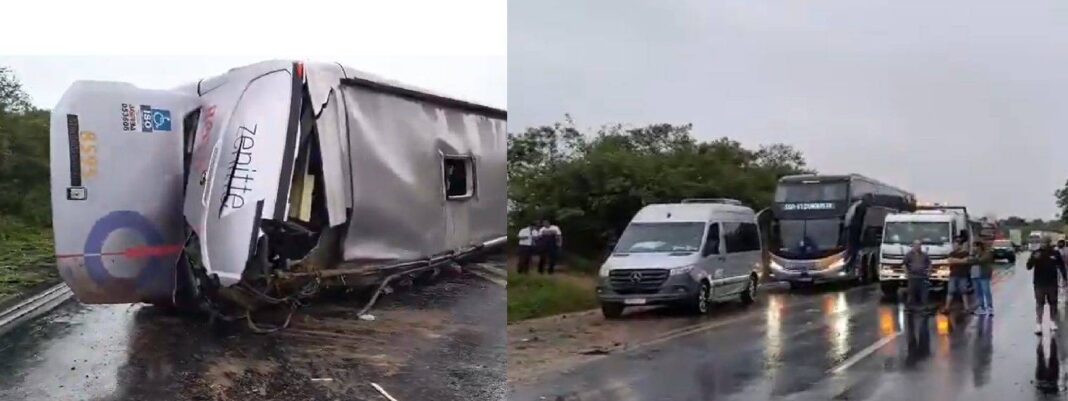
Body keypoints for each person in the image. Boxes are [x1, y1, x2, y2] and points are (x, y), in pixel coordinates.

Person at [1027, 237, 1067, 334]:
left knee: (1053, 302)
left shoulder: (1055, 253)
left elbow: (1061, 266)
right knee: (1039, 303)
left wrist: (1065, 278)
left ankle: (1052, 321)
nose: (1044, 244)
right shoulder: (1036, 253)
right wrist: (1033, 258)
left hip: (1052, 283)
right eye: (1043, 242)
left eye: (1046, 242)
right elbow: (1028, 266)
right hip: (1039, 283)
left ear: (1049, 243)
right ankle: (1038, 324)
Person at [943, 240, 974, 314]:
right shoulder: (951, 253)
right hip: (953, 275)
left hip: (963, 276)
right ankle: (947, 308)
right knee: (950, 291)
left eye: (956, 245)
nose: (954, 247)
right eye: (954, 245)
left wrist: (955, 260)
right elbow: (950, 261)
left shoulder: (965, 253)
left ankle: (967, 308)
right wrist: (961, 261)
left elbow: (966, 261)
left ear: (960, 246)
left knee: (964, 292)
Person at [902, 240, 932, 313]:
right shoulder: (909, 255)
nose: (918, 246)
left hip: (923, 277)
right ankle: (909, 308)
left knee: (924, 293)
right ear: (913, 246)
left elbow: (930, 263)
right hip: (912, 277)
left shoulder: (924, 255)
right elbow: (904, 264)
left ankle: (925, 308)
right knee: (911, 293)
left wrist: (929, 272)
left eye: (919, 245)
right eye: (916, 245)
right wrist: (906, 273)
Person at [972, 241, 995, 315]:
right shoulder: (974, 254)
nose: (974, 248)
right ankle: (981, 307)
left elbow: (981, 260)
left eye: (976, 246)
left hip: (984, 275)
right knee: (978, 292)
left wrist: (972, 259)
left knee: (986, 291)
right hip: (975, 275)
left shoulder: (986, 253)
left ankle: (990, 307)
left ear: (980, 247)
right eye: (974, 246)